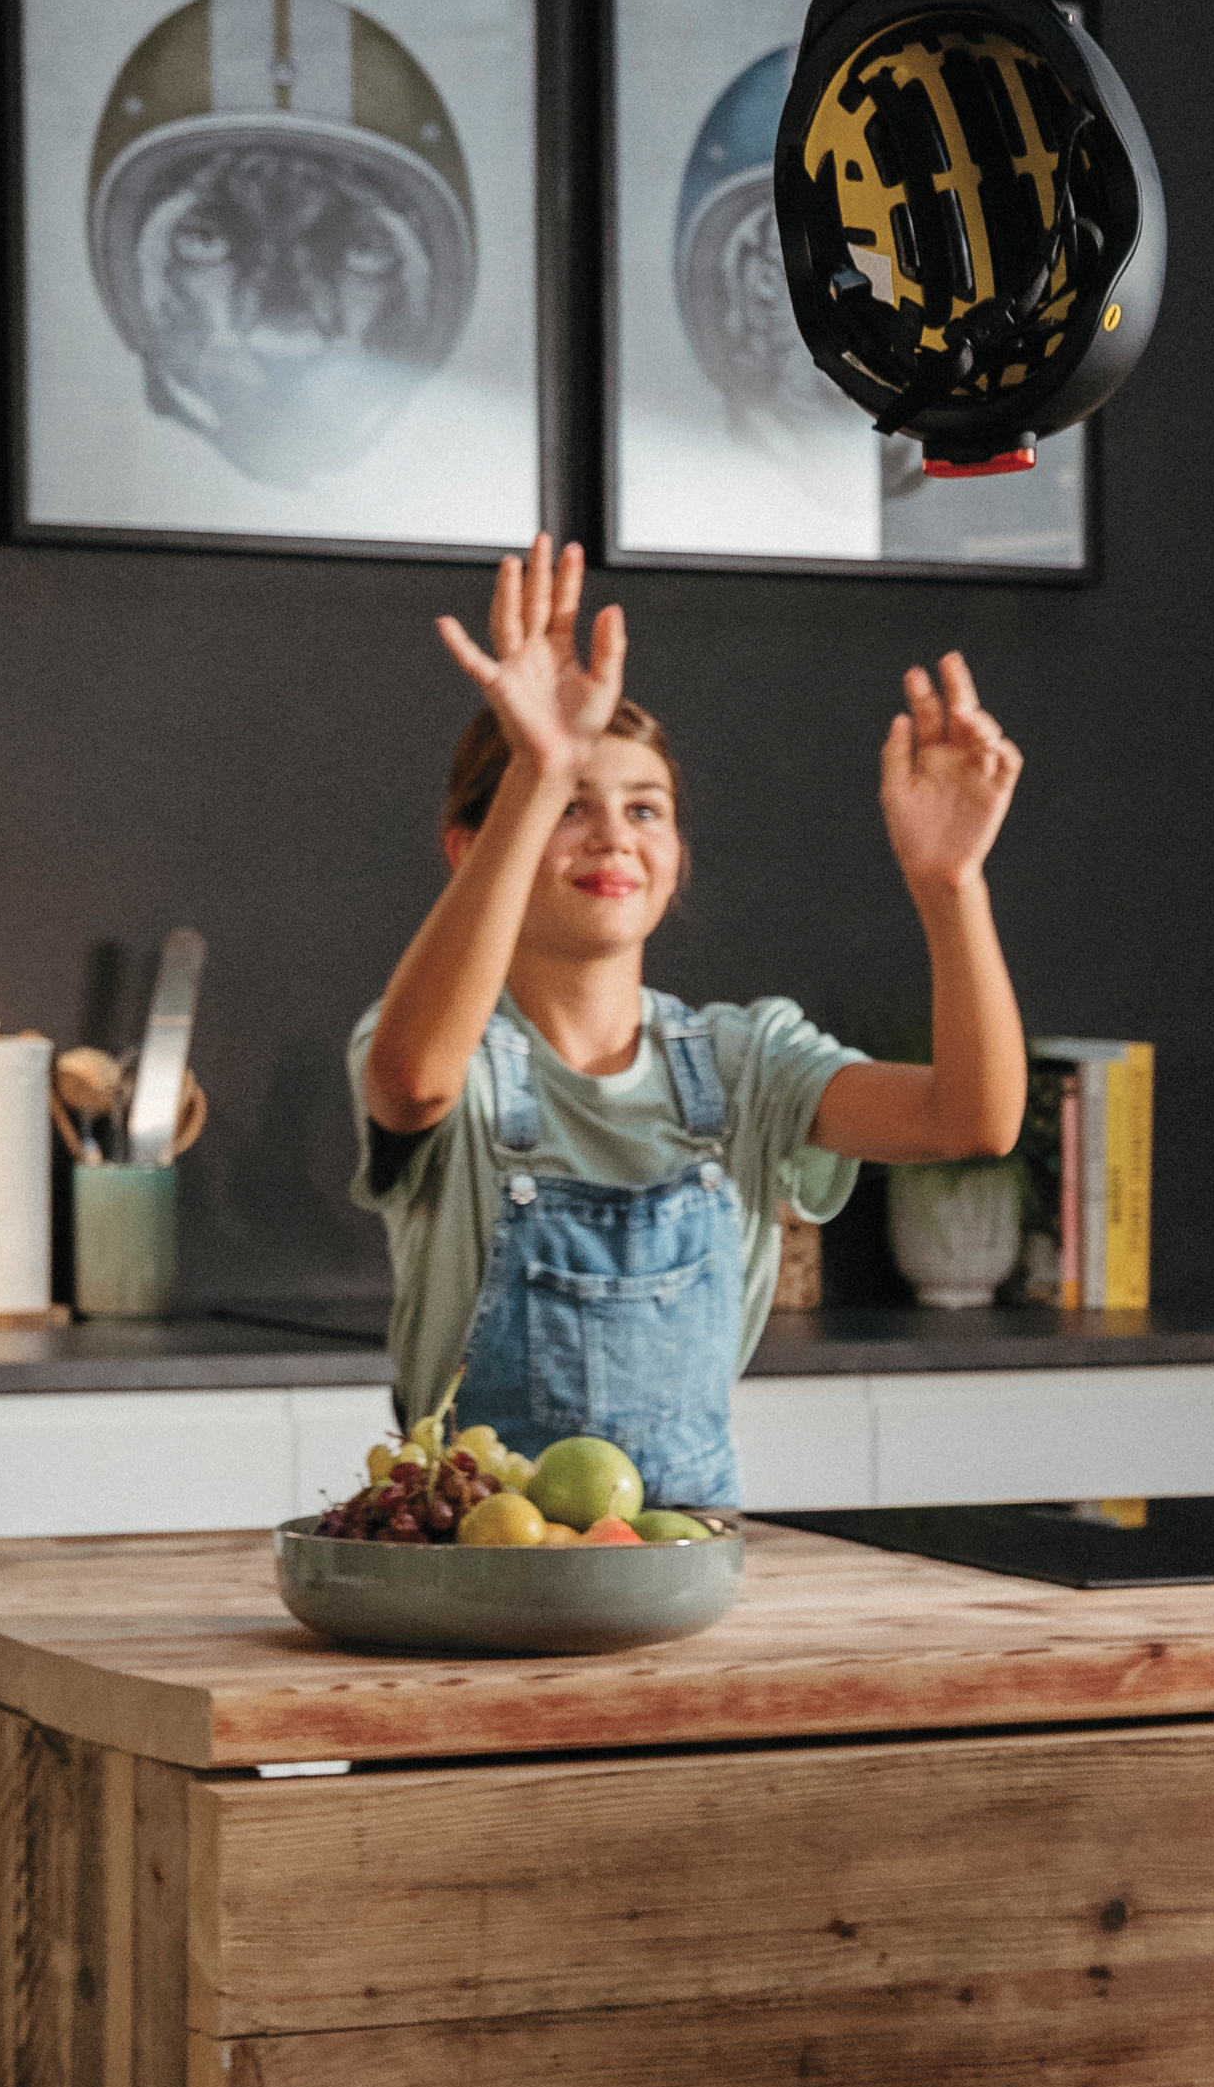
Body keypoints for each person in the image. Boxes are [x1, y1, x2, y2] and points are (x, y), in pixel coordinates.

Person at [349, 535, 1028, 1496]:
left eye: (645, 808)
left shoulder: (748, 1060)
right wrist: (536, 763)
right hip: (473, 1565)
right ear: (474, 843)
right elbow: (414, 1079)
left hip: (682, 1564)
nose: (612, 838)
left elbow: (973, 1118)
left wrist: (950, 884)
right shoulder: (451, 1051)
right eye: (568, 807)